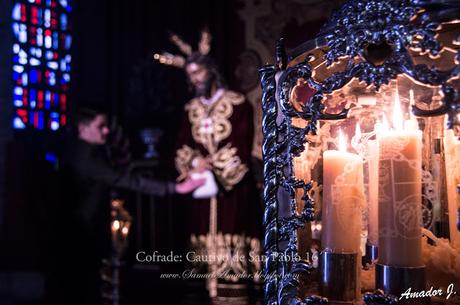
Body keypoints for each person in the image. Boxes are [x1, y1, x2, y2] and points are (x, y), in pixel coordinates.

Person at [51, 106, 204, 305]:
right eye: (101, 126)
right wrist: (175, 188)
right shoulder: (86, 157)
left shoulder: (83, 152)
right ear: (82, 129)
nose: (106, 131)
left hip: (79, 233)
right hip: (81, 234)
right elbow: (126, 180)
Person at [156, 30, 263, 305]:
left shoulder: (238, 103)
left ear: (210, 70)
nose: (194, 79)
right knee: (202, 235)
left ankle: (234, 291)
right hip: (202, 186)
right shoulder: (190, 108)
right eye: (190, 74)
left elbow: (240, 144)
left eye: (198, 72)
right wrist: (194, 162)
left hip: (232, 187)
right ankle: (206, 288)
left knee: (232, 230)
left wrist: (213, 164)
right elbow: (181, 143)